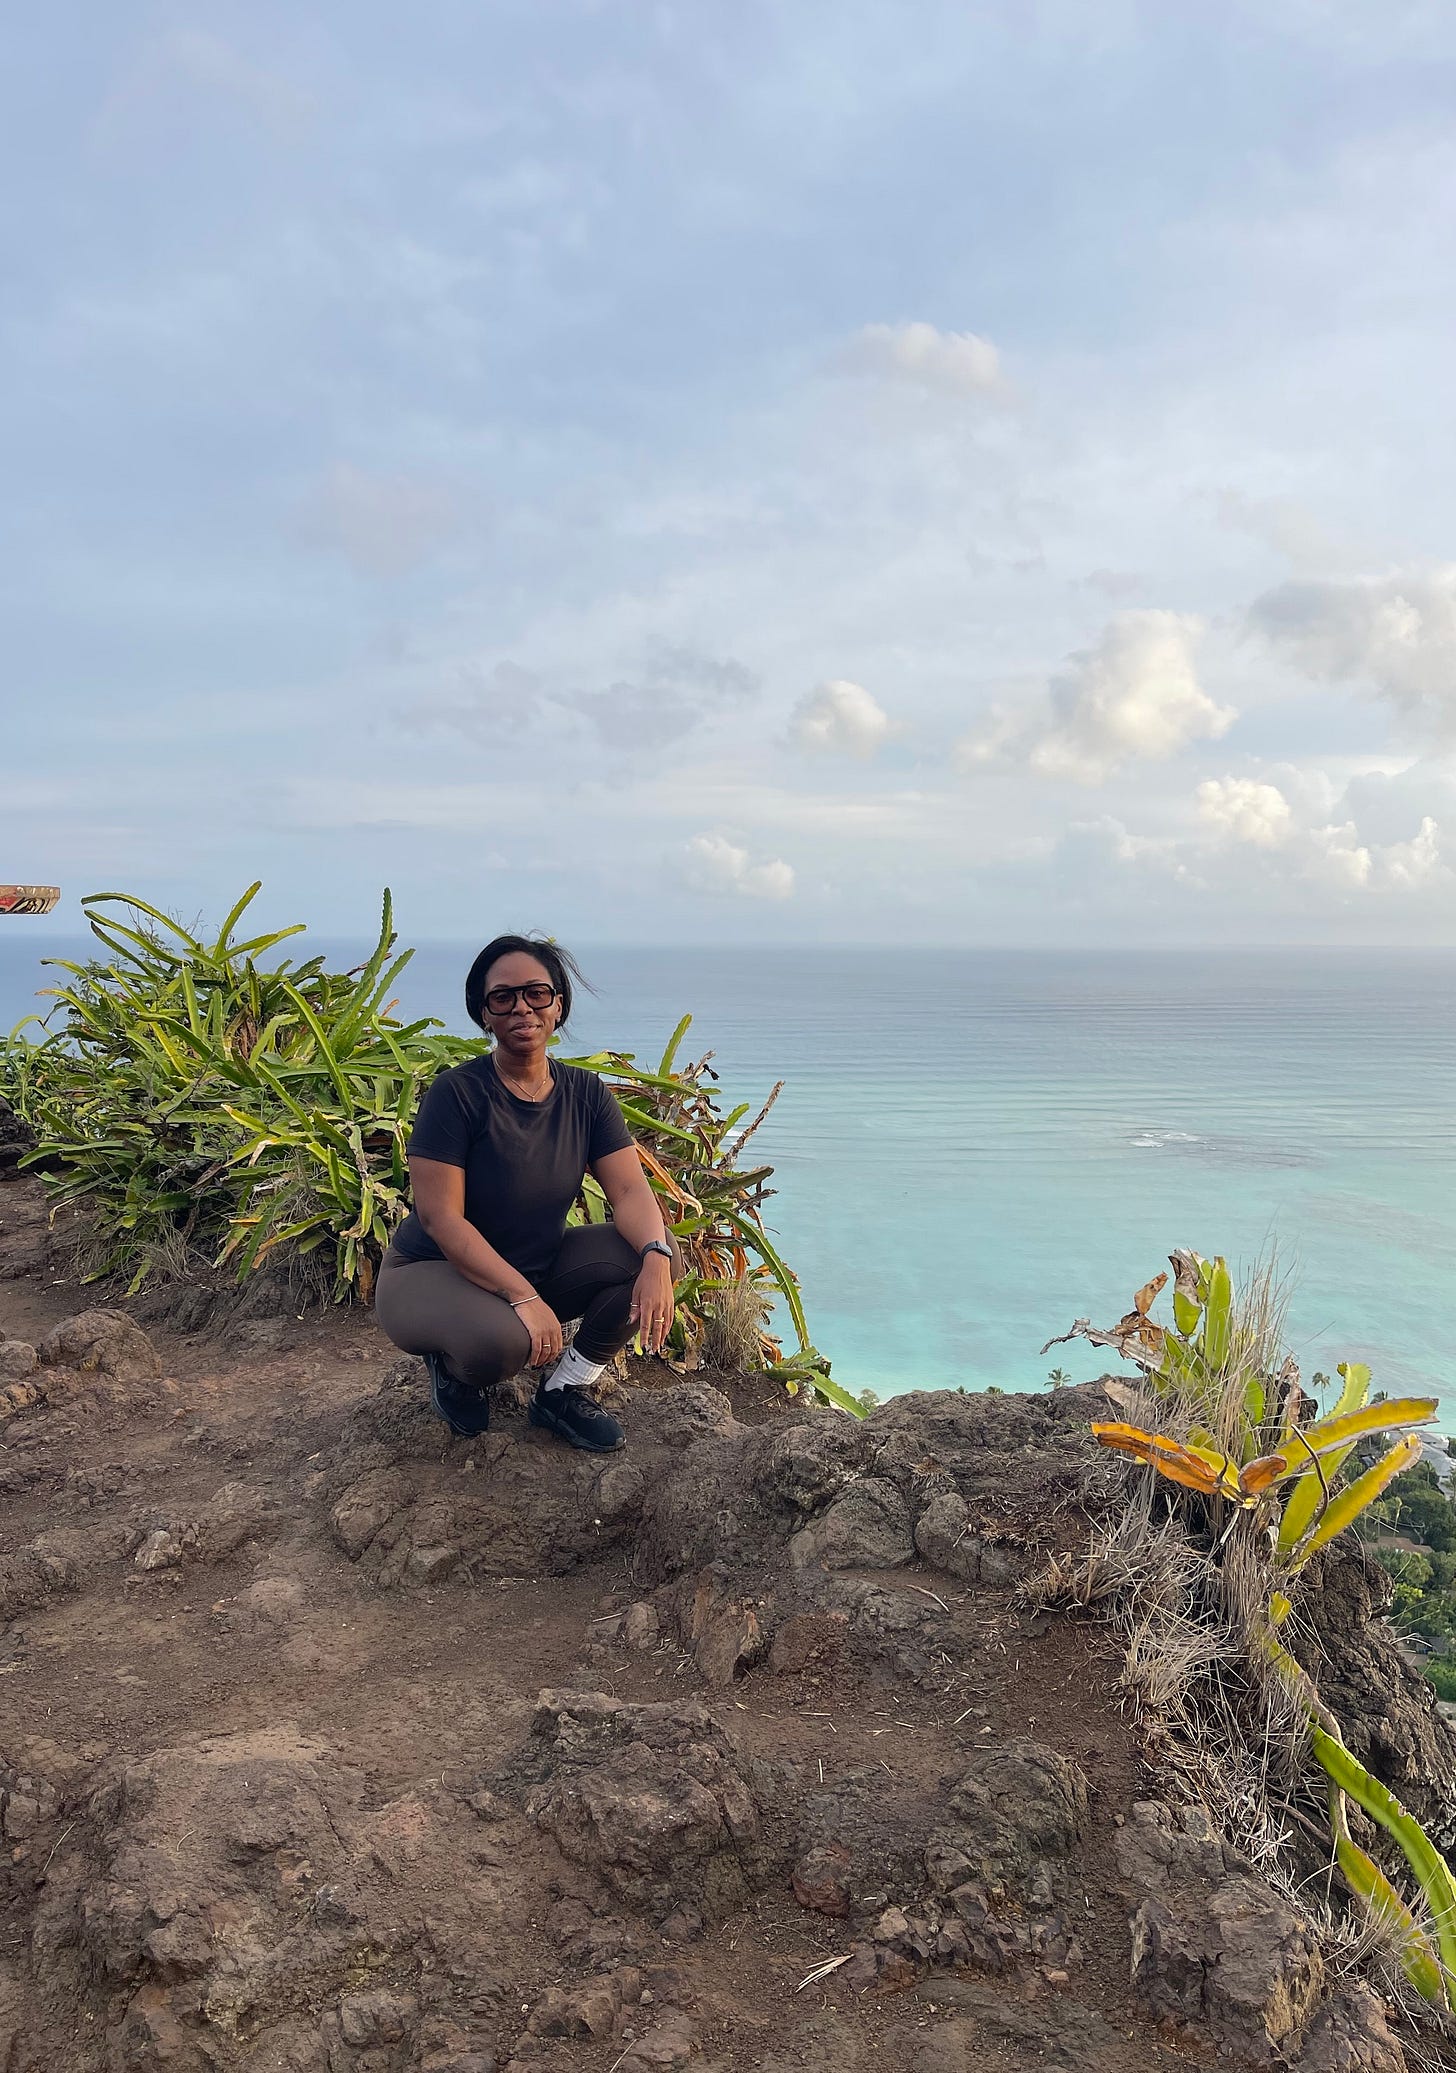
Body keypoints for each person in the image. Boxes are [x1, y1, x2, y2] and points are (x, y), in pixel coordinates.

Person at [375, 935, 678, 1453]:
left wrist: (655, 1256)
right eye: (503, 997)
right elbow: (443, 1220)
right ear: (484, 1013)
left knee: (655, 1252)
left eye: (536, 993)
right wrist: (524, 1297)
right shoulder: (457, 1094)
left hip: (533, 1265)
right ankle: (452, 1369)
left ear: (558, 1005)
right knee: (502, 1345)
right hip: (431, 1271)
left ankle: (564, 1390)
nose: (522, 1007)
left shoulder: (586, 1094)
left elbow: (629, 1189)